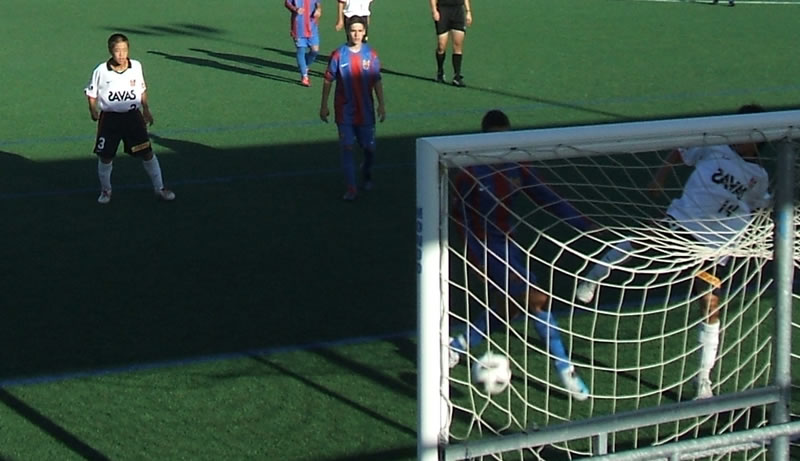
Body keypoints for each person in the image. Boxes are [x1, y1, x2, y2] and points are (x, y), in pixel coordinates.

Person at [575, 104, 771, 399]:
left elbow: (755, 206)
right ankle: (595, 275)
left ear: (758, 140)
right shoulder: (715, 146)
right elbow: (680, 152)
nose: (739, 135)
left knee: (710, 305)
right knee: (641, 240)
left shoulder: (759, 176)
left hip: (713, 247)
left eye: (747, 133)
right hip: (682, 224)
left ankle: (703, 379)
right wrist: (660, 177)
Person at [449, 109, 593, 401]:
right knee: (537, 299)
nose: (500, 144)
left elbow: (548, 198)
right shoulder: (469, 172)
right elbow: (457, 217)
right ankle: (565, 369)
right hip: (485, 247)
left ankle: (456, 347)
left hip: (508, 244)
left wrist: (584, 224)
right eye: (494, 139)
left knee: (511, 306)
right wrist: (474, 259)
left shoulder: (517, 167)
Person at [85, 33, 175, 205]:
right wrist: (92, 109)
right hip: (110, 120)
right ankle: (106, 191)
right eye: (117, 50)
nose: (121, 54)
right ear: (110, 50)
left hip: (133, 118)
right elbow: (91, 93)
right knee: (105, 156)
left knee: (147, 153)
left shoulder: (136, 67)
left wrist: (146, 109)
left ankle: (160, 188)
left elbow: (142, 90)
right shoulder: (101, 71)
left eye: (124, 50)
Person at [319, 16, 386, 201]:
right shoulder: (338, 55)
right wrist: (324, 105)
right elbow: (328, 80)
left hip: (366, 110)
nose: (356, 34)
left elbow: (377, 80)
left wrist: (381, 104)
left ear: (364, 33)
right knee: (347, 147)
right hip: (344, 111)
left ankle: (366, 172)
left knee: (369, 148)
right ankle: (351, 188)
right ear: (348, 32)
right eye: (353, 30)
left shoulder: (371, 55)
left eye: (359, 31)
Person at [429, 0, 472, 87]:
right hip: (443, 10)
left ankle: (457, 76)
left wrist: (468, 12)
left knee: (458, 44)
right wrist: (434, 10)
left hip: (458, 11)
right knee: (441, 46)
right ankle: (440, 71)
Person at [285, 0, 322, 87]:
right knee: (301, 50)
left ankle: (304, 65)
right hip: (298, 27)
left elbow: (318, 3)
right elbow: (287, 3)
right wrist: (295, 9)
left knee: (315, 50)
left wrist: (318, 10)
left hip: (312, 27)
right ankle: (304, 76)